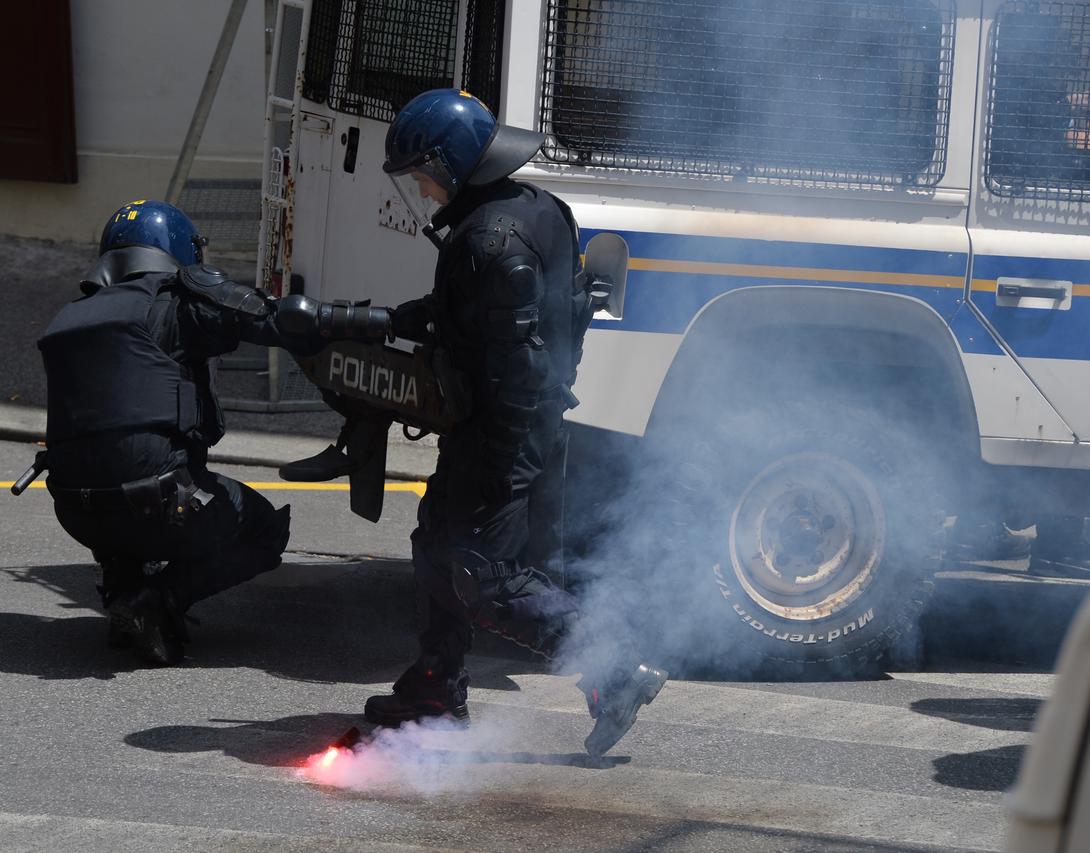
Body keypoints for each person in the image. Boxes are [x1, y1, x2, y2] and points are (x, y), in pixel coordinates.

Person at [360, 89, 666, 757]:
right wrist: (392, 321)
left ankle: (615, 671)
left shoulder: (493, 241)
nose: (424, 188)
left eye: (425, 174)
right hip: (520, 419)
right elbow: (496, 318)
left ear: (455, 162)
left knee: (484, 573)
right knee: (435, 542)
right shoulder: (536, 209)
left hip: (507, 426)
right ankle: (435, 688)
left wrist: (504, 468)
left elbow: (518, 363)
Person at [37, 199, 392, 665]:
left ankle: (126, 596)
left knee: (119, 477)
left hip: (75, 511)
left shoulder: (73, 316)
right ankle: (156, 600)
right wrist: (369, 322)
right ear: (180, 249)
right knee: (264, 530)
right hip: (157, 504)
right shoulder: (175, 302)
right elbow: (277, 317)